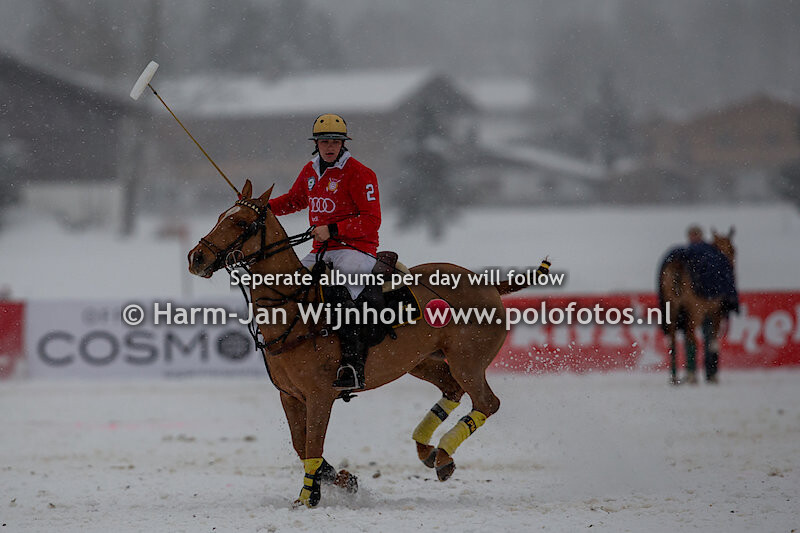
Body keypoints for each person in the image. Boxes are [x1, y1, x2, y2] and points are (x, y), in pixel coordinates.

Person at [268, 114, 381, 391]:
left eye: (335, 142)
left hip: (356, 249)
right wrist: (263, 208)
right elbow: (294, 200)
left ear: (343, 144)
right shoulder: (310, 170)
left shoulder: (360, 173)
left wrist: (333, 229)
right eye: (324, 142)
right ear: (316, 144)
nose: (329, 147)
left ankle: (352, 366)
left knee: (339, 292)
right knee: (287, 286)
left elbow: (371, 219)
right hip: (321, 250)